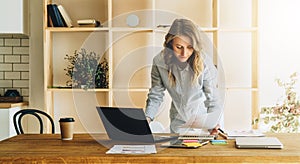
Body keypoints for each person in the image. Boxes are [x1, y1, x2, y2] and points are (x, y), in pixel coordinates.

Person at [145, 19, 222, 135]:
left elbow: (213, 99)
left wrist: (213, 122)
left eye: (190, 47)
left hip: (204, 124)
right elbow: (155, 96)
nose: (184, 53)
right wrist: (147, 118)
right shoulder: (159, 62)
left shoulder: (204, 62)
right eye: (179, 47)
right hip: (178, 124)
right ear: (170, 44)